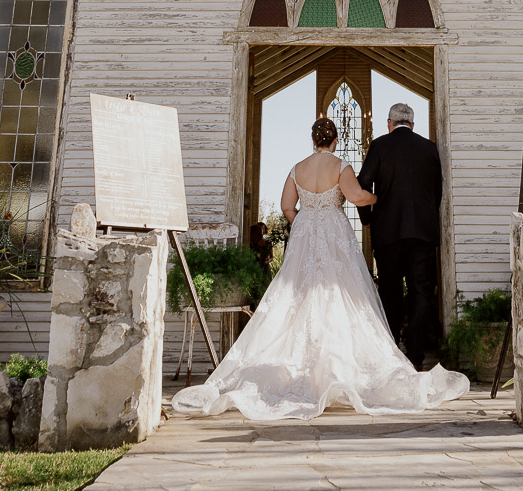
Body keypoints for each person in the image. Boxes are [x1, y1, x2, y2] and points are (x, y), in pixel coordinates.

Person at [171, 117, 468, 419]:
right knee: (341, 290)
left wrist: (304, 222)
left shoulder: (296, 168)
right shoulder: (340, 167)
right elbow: (355, 196)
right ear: (335, 140)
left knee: (296, 293)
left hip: (304, 233)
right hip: (334, 231)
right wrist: (378, 197)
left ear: (313, 141)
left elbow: (287, 207)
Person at [356, 102, 443, 369]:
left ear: (389, 123)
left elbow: (362, 183)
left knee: (391, 292)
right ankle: (416, 355)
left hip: (388, 232)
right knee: (421, 292)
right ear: (413, 125)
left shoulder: (380, 146)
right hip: (423, 233)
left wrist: (368, 219)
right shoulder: (429, 148)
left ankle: (393, 351)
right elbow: (437, 190)